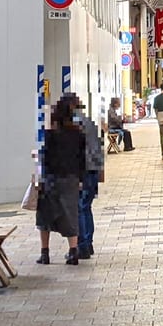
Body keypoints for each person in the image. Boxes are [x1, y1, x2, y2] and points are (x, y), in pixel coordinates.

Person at [37, 94, 86, 265]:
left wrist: (41, 178)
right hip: (71, 178)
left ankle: (45, 253)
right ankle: (73, 251)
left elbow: (45, 159)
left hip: (51, 178)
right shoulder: (78, 134)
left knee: (45, 215)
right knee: (70, 212)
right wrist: (80, 179)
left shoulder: (51, 135)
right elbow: (82, 159)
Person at [75, 95, 105, 260]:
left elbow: (77, 152)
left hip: (84, 171)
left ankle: (83, 246)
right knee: (87, 207)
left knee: (80, 208)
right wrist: (101, 170)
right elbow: (98, 147)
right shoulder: (90, 123)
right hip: (93, 169)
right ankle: (89, 243)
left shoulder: (74, 124)